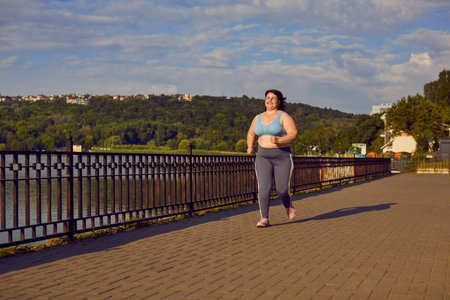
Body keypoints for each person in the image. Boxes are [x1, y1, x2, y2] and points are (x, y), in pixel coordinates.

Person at [247, 89, 298, 227]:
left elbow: (293, 133)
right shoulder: (258, 117)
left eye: (273, 98)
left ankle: (288, 205)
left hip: (282, 157)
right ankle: (264, 218)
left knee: (282, 189)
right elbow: (251, 133)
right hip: (263, 156)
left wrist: (280, 141)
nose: (269, 100)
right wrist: (250, 146)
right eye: (267, 98)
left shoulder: (283, 116)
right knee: (264, 187)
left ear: (279, 101)